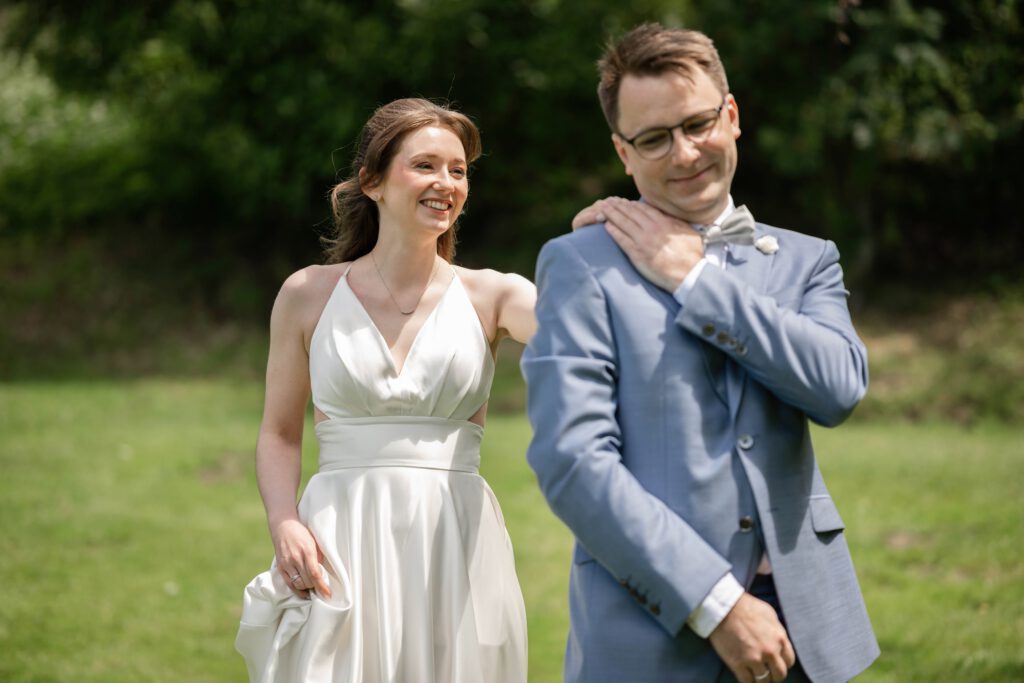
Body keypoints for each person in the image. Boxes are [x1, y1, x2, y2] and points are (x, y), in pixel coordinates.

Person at [521, 23, 879, 683]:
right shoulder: (578, 264)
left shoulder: (807, 259)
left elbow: (838, 388)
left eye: (698, 123)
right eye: (654, 138)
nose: (685, 153)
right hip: (653, 628)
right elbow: (572, 460)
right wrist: (716, 604)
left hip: (809, 629)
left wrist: (695, 279)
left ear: (732, 115)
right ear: (622, 153)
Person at [235, 98, 534, 683]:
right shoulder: (307, 294)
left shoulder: (493, 295)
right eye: (426, 165)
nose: (446, 182)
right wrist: (284, 521)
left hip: (455, 539)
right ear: (371, 182)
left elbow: (577, 330)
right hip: (341, 534)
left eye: (459, 170)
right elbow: (277, 431)